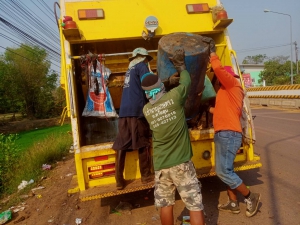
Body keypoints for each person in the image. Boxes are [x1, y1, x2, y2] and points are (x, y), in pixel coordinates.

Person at [141, 46, 205, 225]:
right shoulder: (175, 97)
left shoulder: (147, 110)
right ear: (160, 86)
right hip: (181, 164)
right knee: (194, 205)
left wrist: (165, 83)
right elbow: (186, 82)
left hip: (162, 166)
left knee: (166, 205)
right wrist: (181, 65)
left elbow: (155, 95)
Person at [206, 38, 261, 217]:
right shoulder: (225, 92)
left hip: (229, 134)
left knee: (223, 171)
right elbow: (221, 111)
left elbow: (218, 69)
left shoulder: (232, 84)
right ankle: (233, 202)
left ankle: (251, 196)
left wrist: (212, 54)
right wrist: (207, 109)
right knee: (226, 171)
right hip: (224, 133)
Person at [112, 47, 154, 190]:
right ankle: (146, 176)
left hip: (124, 112)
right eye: (147, 59)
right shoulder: (142, 66)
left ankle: (118, 180)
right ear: (143, 57)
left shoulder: (129, 70)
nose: (147, 62)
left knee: (121, 144)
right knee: (142, 142)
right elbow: (149, 84)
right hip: (137, 111)